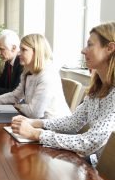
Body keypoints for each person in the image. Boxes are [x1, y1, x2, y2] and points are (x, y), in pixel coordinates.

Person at [11, 22, 115, 165]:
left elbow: (90, 142)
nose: (83, 50)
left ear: (110, 48)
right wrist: (35, 122)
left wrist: (37, 134)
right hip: (91, 163)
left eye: (90, 45)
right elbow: (73, 122)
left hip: (101, 173)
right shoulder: (97, 88)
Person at [0, 34, 71, 119]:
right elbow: (15, 96)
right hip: (36, 123)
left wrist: (19, 106)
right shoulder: (27, 72)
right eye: (20, 49)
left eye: (24, 50)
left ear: (37, 52)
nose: (19, 53)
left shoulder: (47, 75)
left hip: (54, 127)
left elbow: (34, 113)